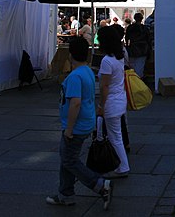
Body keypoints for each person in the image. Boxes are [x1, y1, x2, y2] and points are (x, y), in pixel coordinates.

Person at [46, 37, 113, 209]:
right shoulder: (88, 72)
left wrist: (69, 128)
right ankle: (65, 193)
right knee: (67, 158)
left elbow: (75, 103)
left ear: (70, 55)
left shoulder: (75, 76)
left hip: (76, 126)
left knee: (70, 160)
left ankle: (99, 185)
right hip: (86, 121)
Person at [96, 26, 130, 179]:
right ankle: (121, 165)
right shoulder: (119, 57)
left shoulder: (106, 61)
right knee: (116, 135)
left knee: (115, 136)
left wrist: (101, 106)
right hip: (119, 99)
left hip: (111, 102)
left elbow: (104, 86)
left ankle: (122, 166)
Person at [125, 13, 151, 77]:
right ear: (142, 19)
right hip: (142, 50)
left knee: (132, 68)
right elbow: (149, 40)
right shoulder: (145, 28)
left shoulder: (130, 27)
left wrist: (128, 47)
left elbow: (126, 38)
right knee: (140, 69)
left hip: (132, 50)